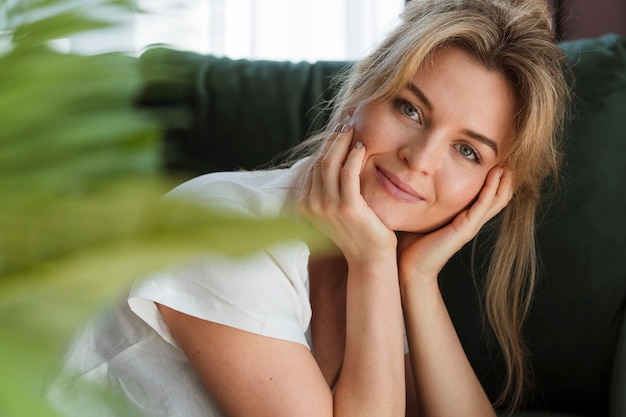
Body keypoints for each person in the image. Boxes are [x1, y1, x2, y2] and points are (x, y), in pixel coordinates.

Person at [47, 0, 571, 416]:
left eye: (467, 150)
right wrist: (374, 266)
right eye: (409, 108)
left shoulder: (375, 252)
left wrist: (417, 278)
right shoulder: (225, 229)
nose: (420, 159)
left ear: (490, 188)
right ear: (359, 99)